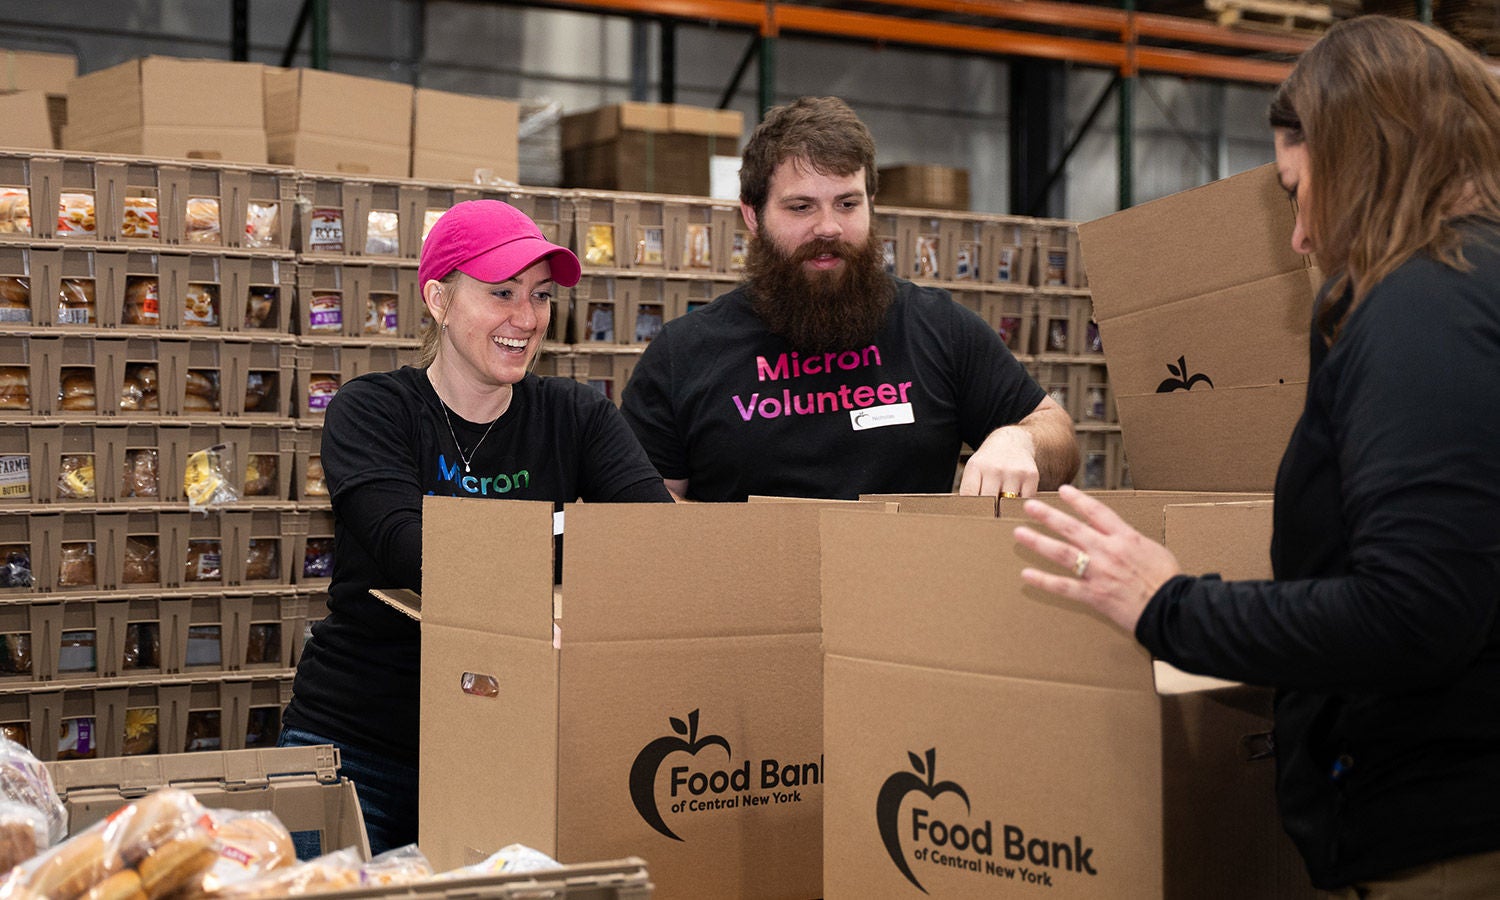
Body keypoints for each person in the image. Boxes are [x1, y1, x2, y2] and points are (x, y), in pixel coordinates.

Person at [1014, 16, 1500, 897]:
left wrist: (1169, 606)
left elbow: (1414, 613)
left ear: (1363, 160)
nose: (1301, 238)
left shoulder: (1428, 308)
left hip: (1443, 838)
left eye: (1296, 191)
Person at [279, 200, 673, 855]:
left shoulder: (576, 416)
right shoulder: (373, 411)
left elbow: (657, 542)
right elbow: (411, 549)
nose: (527, 318)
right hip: (360, 747)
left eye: (541, 296)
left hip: (510, 749)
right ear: (438, 298)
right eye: (501, 294)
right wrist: (557, 557)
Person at [620, 96, 1078, 501]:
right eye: (801, 207)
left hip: (906, 592)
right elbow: (648, 505)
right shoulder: (684, 353)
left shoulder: (939, 327)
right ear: (752, 216)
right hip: (751, 592)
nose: (828, 227)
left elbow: (1057, 431)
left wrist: (1021, 440)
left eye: (847, 203)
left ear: (871, 203)